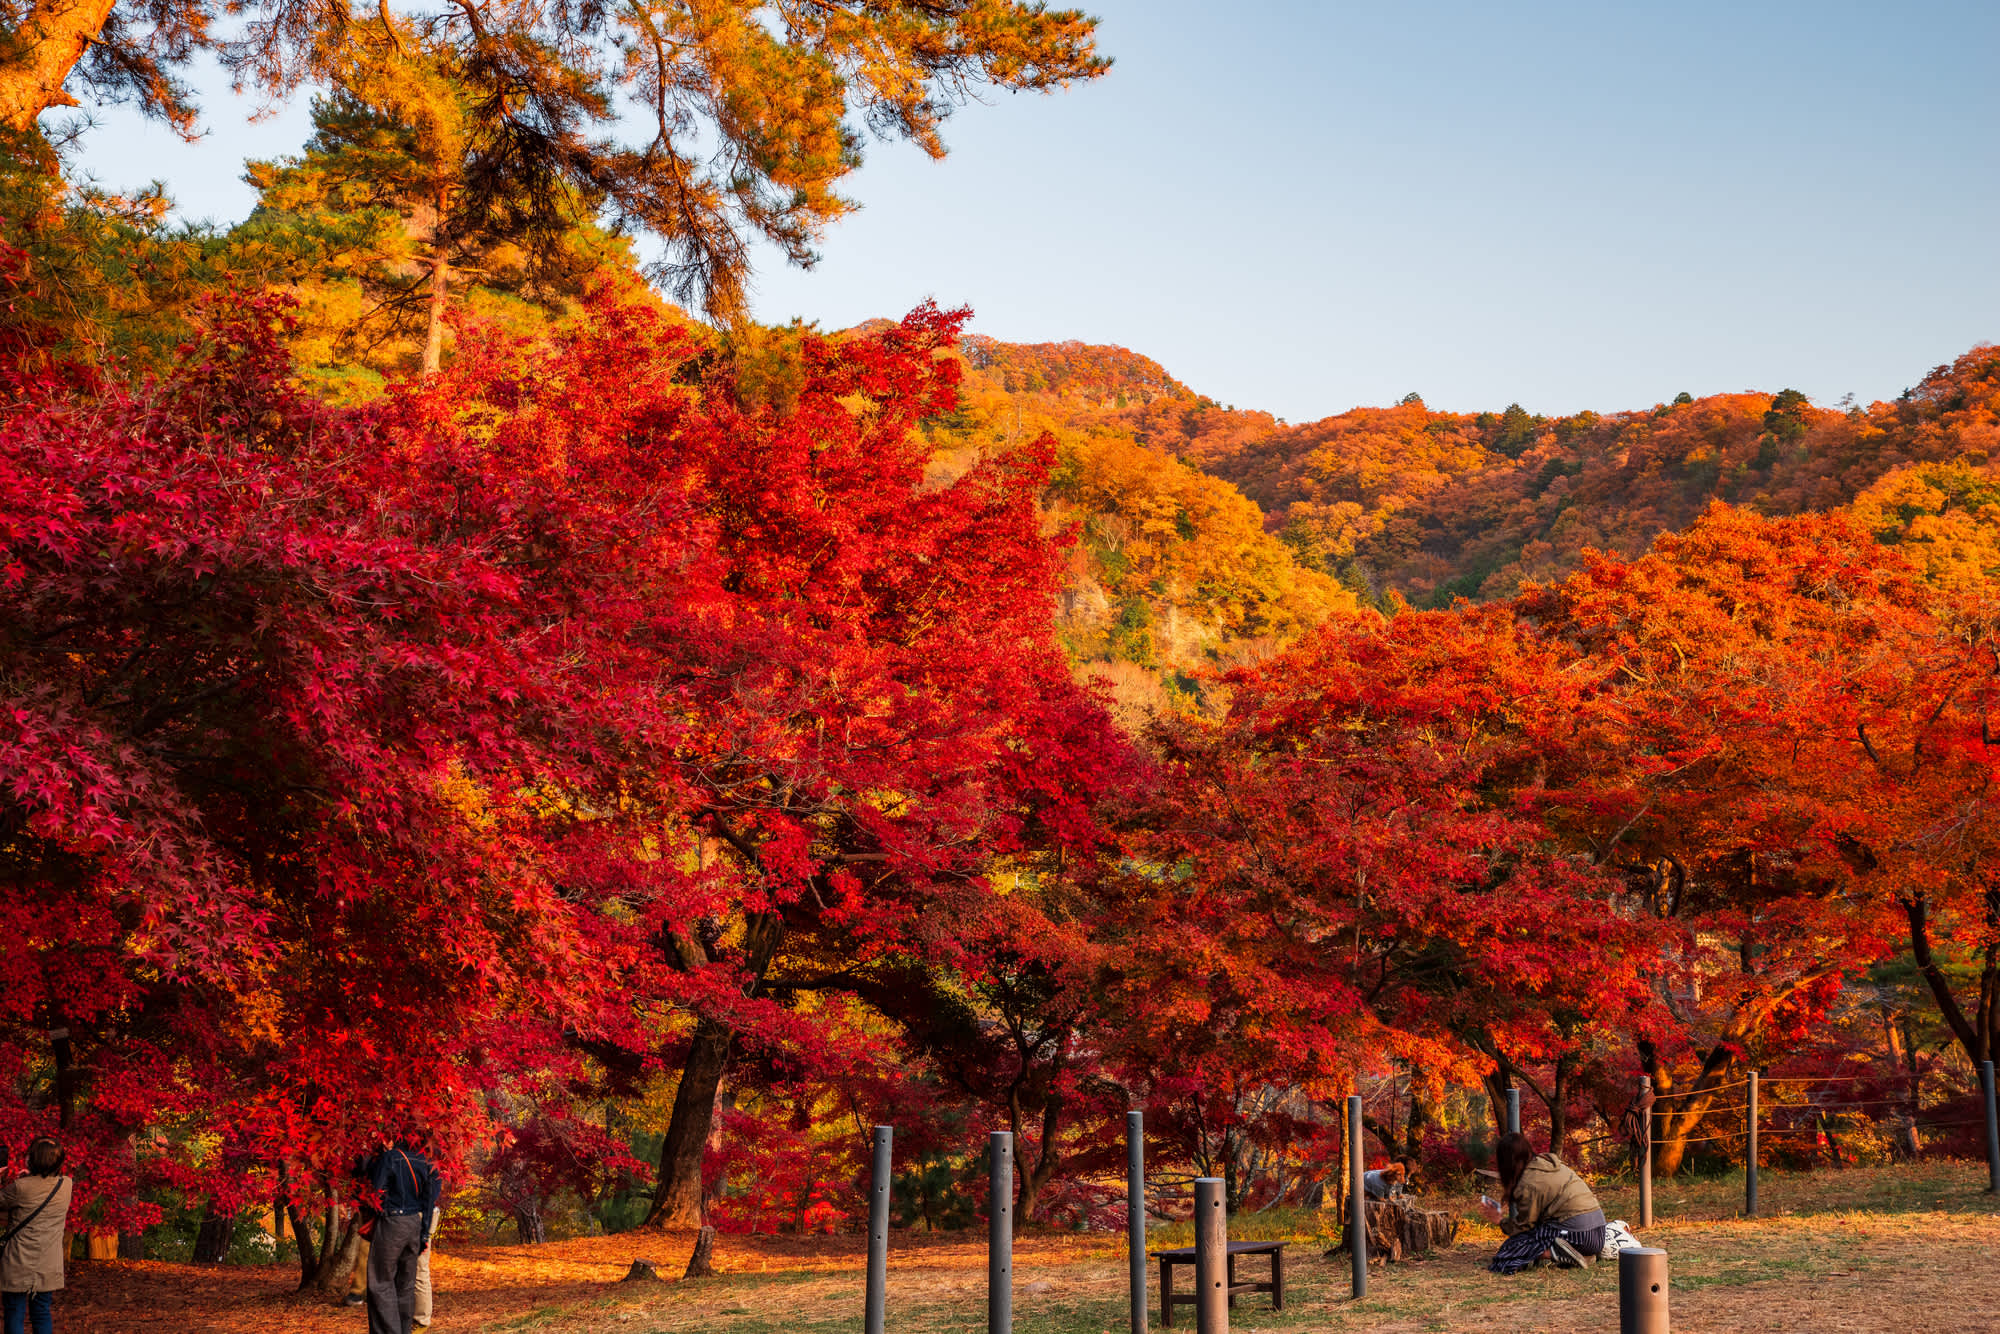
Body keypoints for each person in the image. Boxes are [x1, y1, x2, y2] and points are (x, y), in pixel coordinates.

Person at [1480, 1132, 1605, 1274]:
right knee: (1531, 1237)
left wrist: (1500, 1221)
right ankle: (1583, 1255)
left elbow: (1524, 1227)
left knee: (1509, 1251)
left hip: (1577, 1234)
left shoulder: (1528, 1183)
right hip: (1598, 1234)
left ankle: (1555, 1252)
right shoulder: (1549, 1163)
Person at [357, 1133, 443, 1334]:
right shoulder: (424, 1161)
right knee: (406, 1283)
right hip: (415, 1224)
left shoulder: (390, 1158)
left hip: (393, 1222)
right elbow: (428, 1200)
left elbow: (375, 1191)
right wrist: (424, 1234)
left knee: (381, 1281)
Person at [0, 1137, 74, 1334]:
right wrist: (31, 1178)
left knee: (14, 1311)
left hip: (18, 1261)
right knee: (41, 1312)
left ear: (32, 1159)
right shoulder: (66, 1185)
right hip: (47, 1262)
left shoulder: (20, 1188)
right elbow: (41, 1189)